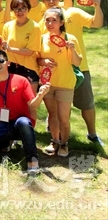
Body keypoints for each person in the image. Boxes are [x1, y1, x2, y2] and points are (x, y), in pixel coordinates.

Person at [41, 0, 104, 145]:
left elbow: (97, 23)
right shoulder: (44, 21)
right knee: (57, 106)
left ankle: (92, 134)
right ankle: (58, 136)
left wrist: (97, 6)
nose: (51, 1)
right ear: (43, 1)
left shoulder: (73, 13)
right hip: (56, 72)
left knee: (86, 103)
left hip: (79, 68)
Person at [37, 8, 83, 157]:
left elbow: (77, 62)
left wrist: (72, 49)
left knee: (63, 118)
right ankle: (54, 141)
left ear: (61, 22)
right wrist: (43, 61)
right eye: (47, 20)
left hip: (65, 83)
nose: (50, 23)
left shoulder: (70, 38)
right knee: (52, 114)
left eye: (54, 20)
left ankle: (64, 143)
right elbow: (36, 59)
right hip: (47, 83)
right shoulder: (41, 38)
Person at [1, 0, 41, 92]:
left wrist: (11, 49)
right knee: (12, 99)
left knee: (30, 100)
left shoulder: (35, 27)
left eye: (23, 8)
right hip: (11, 68)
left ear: (28, 8)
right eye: (16, 8)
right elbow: (4, 48)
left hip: (29, 68)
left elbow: (30, 51)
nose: (20, 12)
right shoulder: (7, 26)